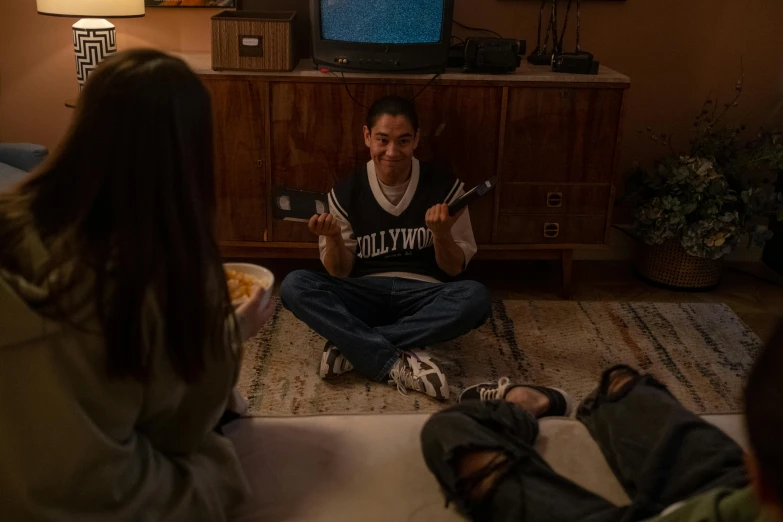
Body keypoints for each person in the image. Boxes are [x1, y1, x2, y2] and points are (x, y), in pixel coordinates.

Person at [0, 50, 274, 521]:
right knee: (219, 466)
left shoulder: (8, 221)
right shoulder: (169, 275)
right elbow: (182, 431)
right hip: (96, 497)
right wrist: (228, 336)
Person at [420, 330, 783, 522]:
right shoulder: (755, 492)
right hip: (735, 495)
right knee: (622, 387)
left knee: (451, 430)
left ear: (757, 475)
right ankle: (548, 400)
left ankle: (523, 405)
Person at [280, 96, 491, 400]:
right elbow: (339, 271)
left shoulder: (447, 188)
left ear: (417, 139)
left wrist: (442, 234)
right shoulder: (344, 192)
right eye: (383, 140)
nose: (392, 152)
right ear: (367, 136)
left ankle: (353, 347)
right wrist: (335, 238)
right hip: (364, 293)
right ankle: (394, 351)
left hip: (423, 295)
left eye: (403, 140)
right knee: (295, 285)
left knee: (476, 298)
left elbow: (454, 269)